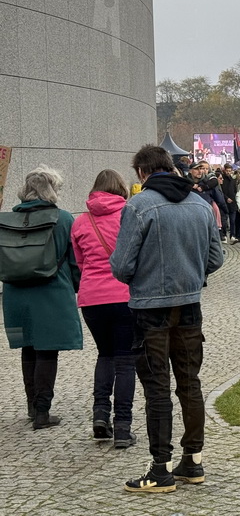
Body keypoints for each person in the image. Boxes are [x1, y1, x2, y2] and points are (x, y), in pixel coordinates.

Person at [111, 145, 223, 493]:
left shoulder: (140, 205)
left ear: (143, 172)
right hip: (189, 305)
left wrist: (142, 278)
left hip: (150, 308)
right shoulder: (200, 204)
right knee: (190, 382)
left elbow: (121, 264)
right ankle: (193, 461)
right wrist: (191, 275)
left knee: (157, 387)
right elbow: (216, 259)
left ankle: (160, 468)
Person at [2, 165, 83, 430]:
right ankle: (42, 412)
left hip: (15, 294)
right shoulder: (63, 219)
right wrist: (75, 287)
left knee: (28, 347)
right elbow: (74, 262)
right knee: (48, 350)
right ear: (51, 190)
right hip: (52, 292)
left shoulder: (7, 221)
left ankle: (32, 405)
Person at [70, 169, 137, 447]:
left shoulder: (80, 222)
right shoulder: (130, 215)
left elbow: (80, 262)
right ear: (121, 188)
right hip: (124, 295)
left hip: (91, 299)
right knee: (125, 361)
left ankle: (100, 415)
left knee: (105, 355)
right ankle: (122, 426)